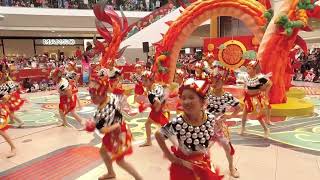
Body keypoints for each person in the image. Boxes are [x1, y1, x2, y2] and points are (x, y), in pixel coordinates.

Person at [155, 78, 223, 180]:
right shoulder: (178, 122)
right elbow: (158, 134)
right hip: (183, 168)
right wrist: (170, 156)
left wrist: (209, 144)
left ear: (202, 101)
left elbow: (217, 133)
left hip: (203, 164)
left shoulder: (210, 118)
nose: (186, 102)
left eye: (191, 97)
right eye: (183, 98)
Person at [86, 68, 142, 180]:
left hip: (118, 134)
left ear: (102, 94)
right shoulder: (111, 98)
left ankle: (139, 178)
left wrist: (92, 124)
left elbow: (103, 130)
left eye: (94, 96)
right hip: (116, 130)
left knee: (120, 161)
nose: (92, 99)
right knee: (103, 151)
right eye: (91, 96)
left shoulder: (104, 110)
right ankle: (111, 173)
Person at [206, 65, 241, 178]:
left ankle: (231, 167)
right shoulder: (207, 93)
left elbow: (238, 107)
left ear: (223, 81)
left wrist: (229, 116)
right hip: (207, 125)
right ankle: (207, 166)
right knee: (204, 148)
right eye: (213, 81)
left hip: (221, 126)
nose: (214, 83)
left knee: (228, 148)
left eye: (217, 81)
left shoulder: (227, 96)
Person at [240, 61, 273, 138]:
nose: (247, 70)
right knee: (244, 113)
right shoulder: (246, 77)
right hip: (248, 98)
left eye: (249, 68)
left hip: (255, 99)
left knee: (259, 116)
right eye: (247, 68)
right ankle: (243, 128)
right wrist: (244, 90)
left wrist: (266, 93)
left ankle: (266, 130)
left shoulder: (260, 78)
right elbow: (245, 85)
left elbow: (270, 84)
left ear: (255, 70)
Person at [139, 71, 170, 147]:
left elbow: (158, 102)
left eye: (146, 80)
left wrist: (157, 108)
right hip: (158, 109)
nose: (143, 82)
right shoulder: (153, 87)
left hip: (158, 111)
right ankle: (149, 141)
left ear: (151, 80)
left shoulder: (152, 91)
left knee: (168, 130)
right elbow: (164, 94)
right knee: (148, 124)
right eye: (143, 80)